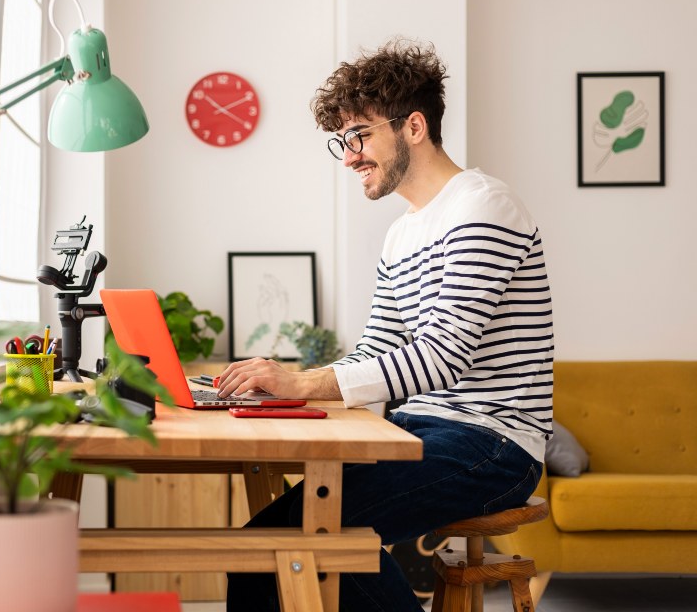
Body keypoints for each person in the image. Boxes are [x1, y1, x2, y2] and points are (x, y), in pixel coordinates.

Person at [219, 38, 553, 611]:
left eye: (360, 137)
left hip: (493, 443)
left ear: (414, 126)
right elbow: (377, 350)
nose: (349, 157)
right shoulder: (402, 234)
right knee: (269, 545)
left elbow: (442, 355)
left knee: (291, 543)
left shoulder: (483, 207)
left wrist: (302, 385)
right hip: (413, 432)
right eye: (342, 142)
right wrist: (287, 383)